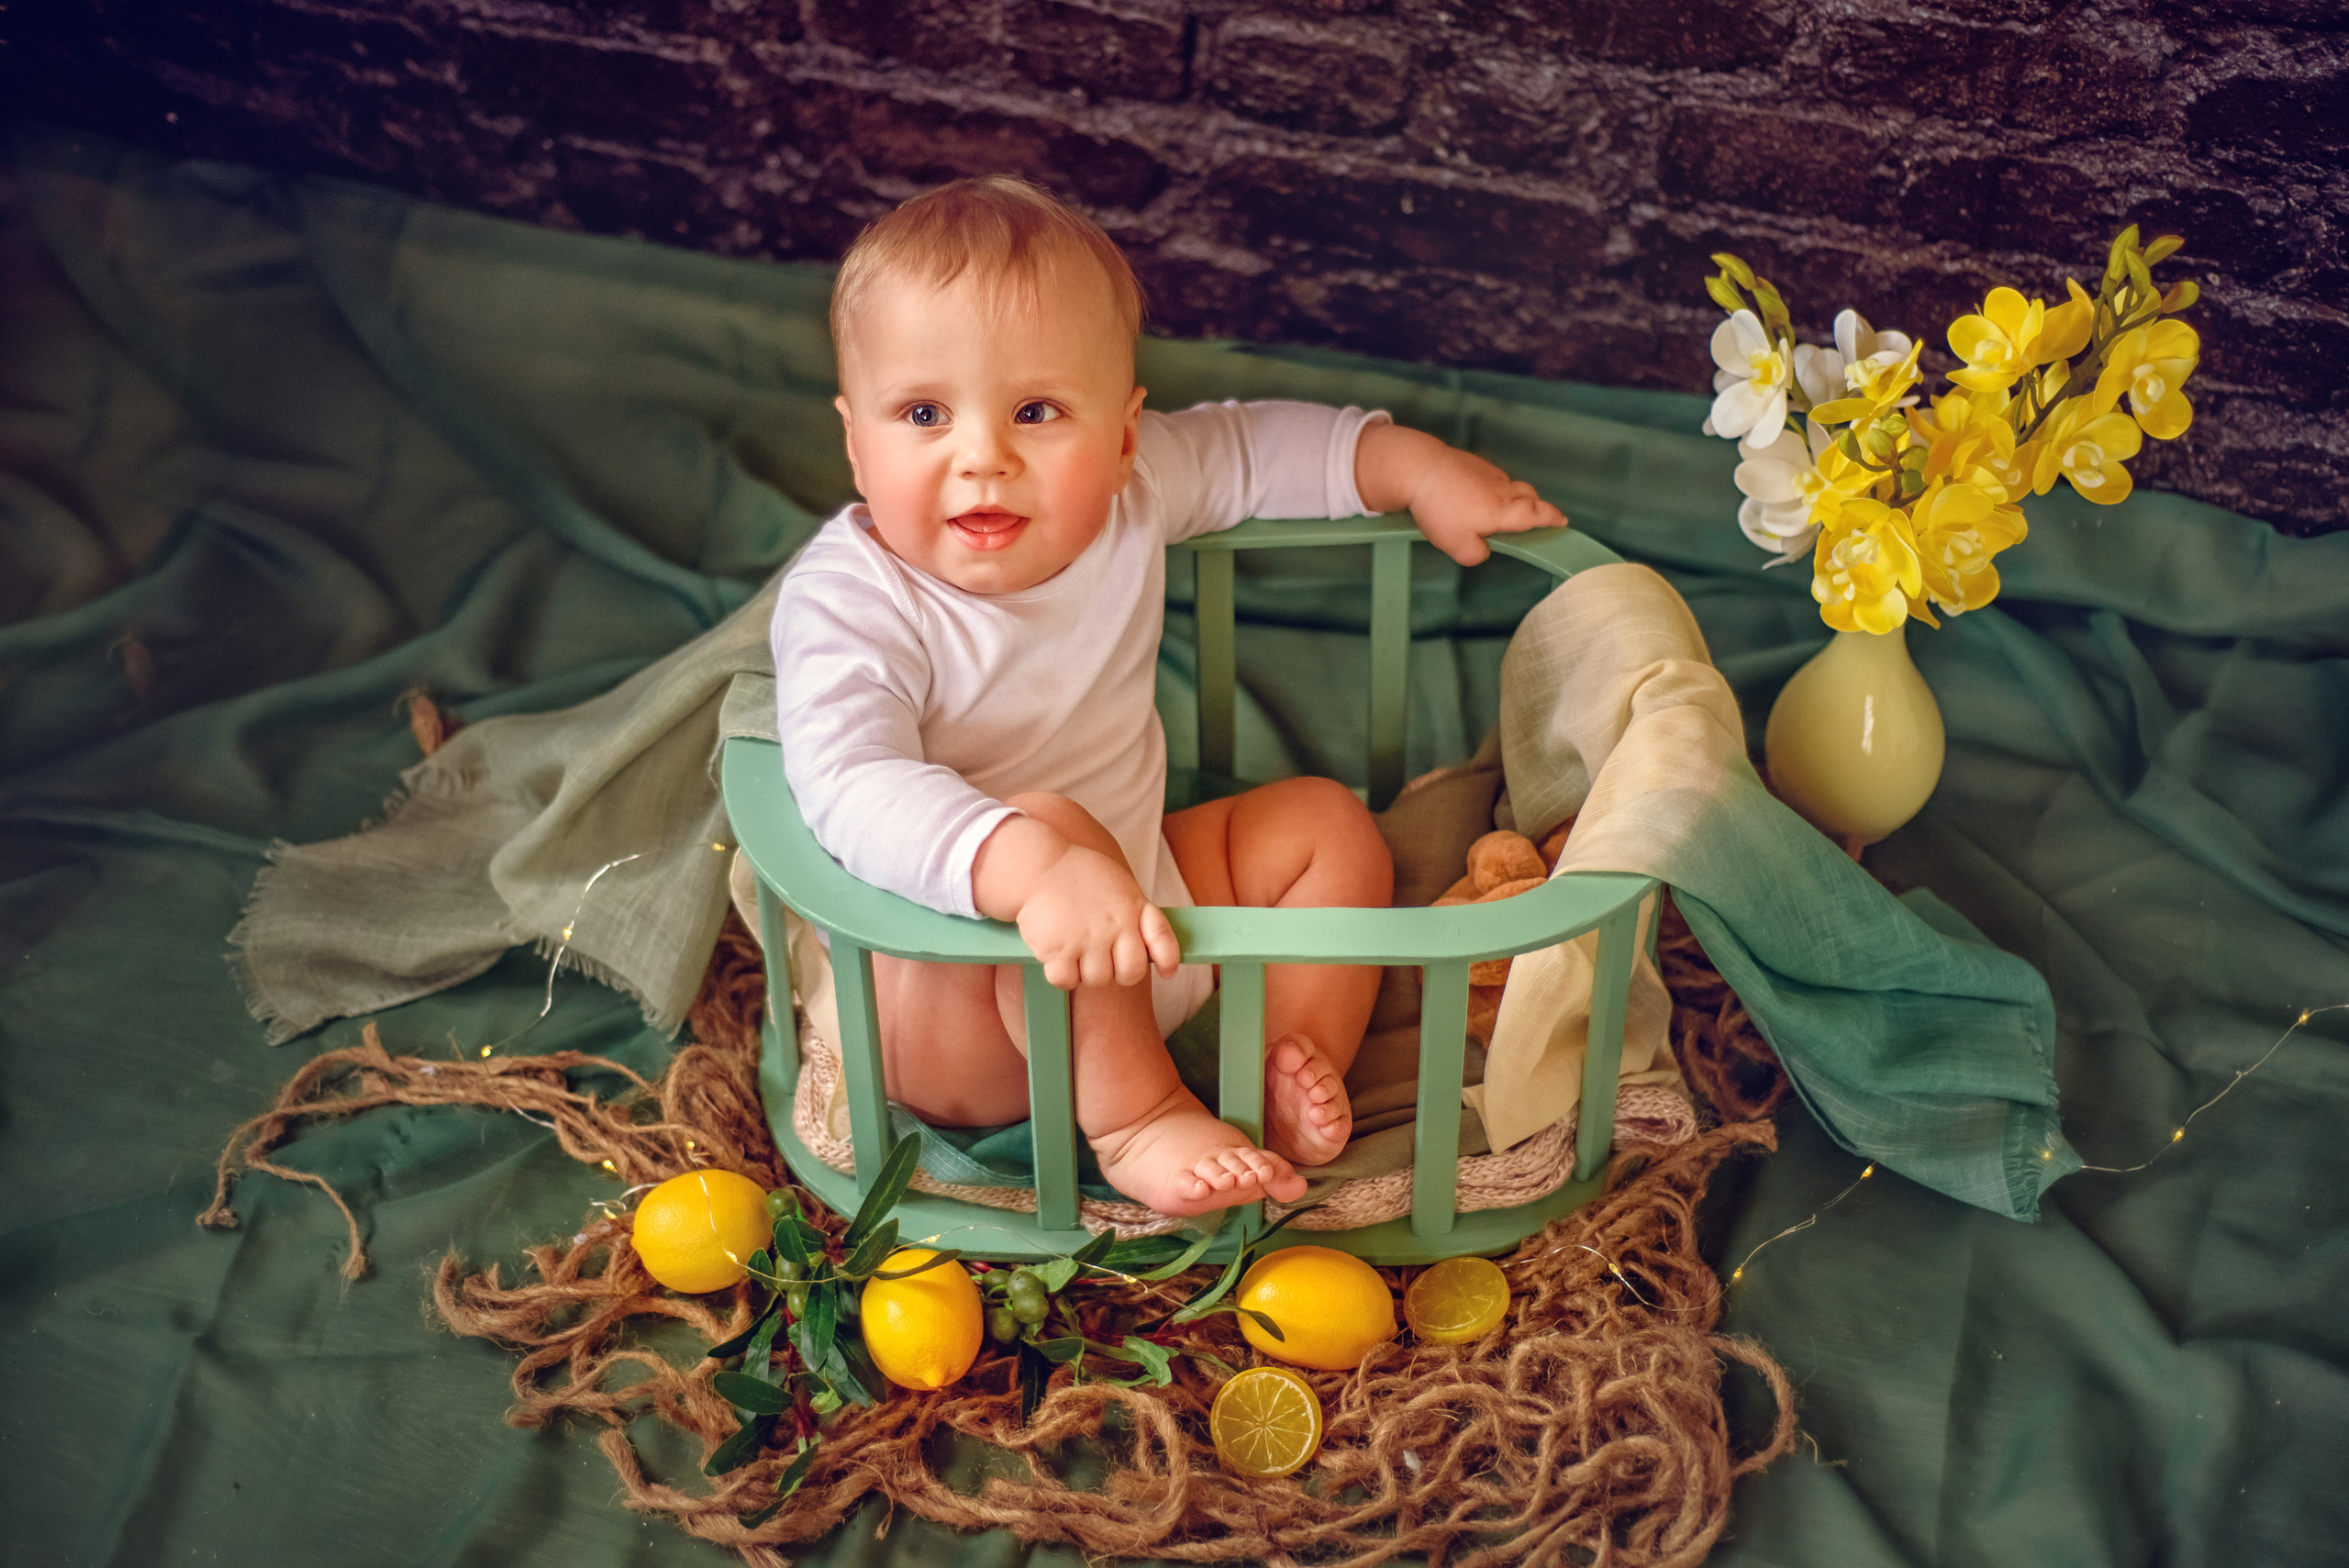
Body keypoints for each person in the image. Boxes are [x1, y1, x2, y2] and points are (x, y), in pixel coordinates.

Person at [772, 177, 1564, 1216]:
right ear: (854, 440)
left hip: (1139, 922)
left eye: (1036, 411)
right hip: (949, 989)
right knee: (1051, 821)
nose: (983, 457)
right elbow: (850, 780)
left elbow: (1255, 448)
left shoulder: (1130, 496)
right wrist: (1033, 864)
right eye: (923, 412)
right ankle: (1137, 1117)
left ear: (1123, 435)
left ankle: (1280, 1067)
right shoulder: (849, 598)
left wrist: (1417, 470)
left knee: (1330, 825)